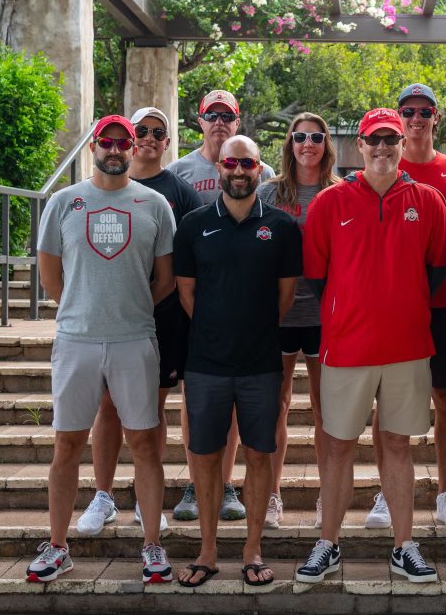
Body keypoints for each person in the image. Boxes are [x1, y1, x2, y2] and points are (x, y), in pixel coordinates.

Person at [296, 107, 446, 584]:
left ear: (403, 143)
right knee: (339, 447)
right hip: (346, 348)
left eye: (391, 139)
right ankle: (329, 543)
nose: (382, 147)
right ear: (358, 147)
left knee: (397, 445)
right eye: (373, 140)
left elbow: (437, 268)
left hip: (407, 346)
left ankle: (404, 545)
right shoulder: (329, 202)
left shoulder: (426, 200)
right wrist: (353, 309)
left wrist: (397, 304)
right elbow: (318, 276)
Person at [31, 115, 175, 584]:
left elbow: (166, 279)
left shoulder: (153, 204)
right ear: (94, 146)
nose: (115, 149)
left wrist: (129, 309)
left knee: (145, 445)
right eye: (106, 142)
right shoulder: (63, 202)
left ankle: (152, 545)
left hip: (135, 339)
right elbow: (51, 277)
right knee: (67, 443)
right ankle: (57, 546)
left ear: (134, 149)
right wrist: (83, 309)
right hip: (77, 340)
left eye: (123, 143)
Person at [172, 135, 302, 588]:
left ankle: (252, 550)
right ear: (220, 168)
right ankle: (207, 551)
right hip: (205, 363)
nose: (239, 171)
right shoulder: (192, 225)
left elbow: (284, 296)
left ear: (259, 167)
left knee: (259, 455)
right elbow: (187, 293)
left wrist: (250, 329)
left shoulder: (282, 228)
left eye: (247, 163)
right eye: (231, 163)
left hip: (261, 363)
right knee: (206, 457)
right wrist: (216, 328)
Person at [75, 107, 200, 537]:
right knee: (107, 406)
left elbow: (181, 266)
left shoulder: (178, 194)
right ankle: (104, 495)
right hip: (100, 322)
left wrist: (141, 306)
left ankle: (149, 503)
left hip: (158, 319)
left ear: (167, 141)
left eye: (156, 132)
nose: (146, 138)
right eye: (139, 130)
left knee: (152, 409)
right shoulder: (89, 191)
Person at [364, 83, 446, 532]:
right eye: (407, 111)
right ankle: (388, 492)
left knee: (445, 398)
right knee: (386, 403)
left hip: (442, 305)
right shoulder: (383, 161)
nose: (415, 118)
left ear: (435, 117)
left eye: (424, 110)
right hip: (393, 308)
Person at [167, 89, 276, 521]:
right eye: (211, 114)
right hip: (196, 305)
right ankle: (196, 484)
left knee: (236, 403)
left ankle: (227, 483)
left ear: (237, 120)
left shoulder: (260, 171)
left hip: (247, 313)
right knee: (196, 402)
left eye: (227, 115)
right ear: (199, 121)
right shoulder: (181, 172)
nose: (219, 121)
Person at [257, 113, 341, 530]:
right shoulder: (269, 194)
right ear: (289, 144)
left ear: (327, 144)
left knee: (327, 411)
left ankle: (328, 497)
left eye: (316, 137)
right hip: (280, 314)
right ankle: (273, 496)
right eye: (299, 137)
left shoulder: (343, 192)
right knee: (277, 406)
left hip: (326, 316)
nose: (307, 143)